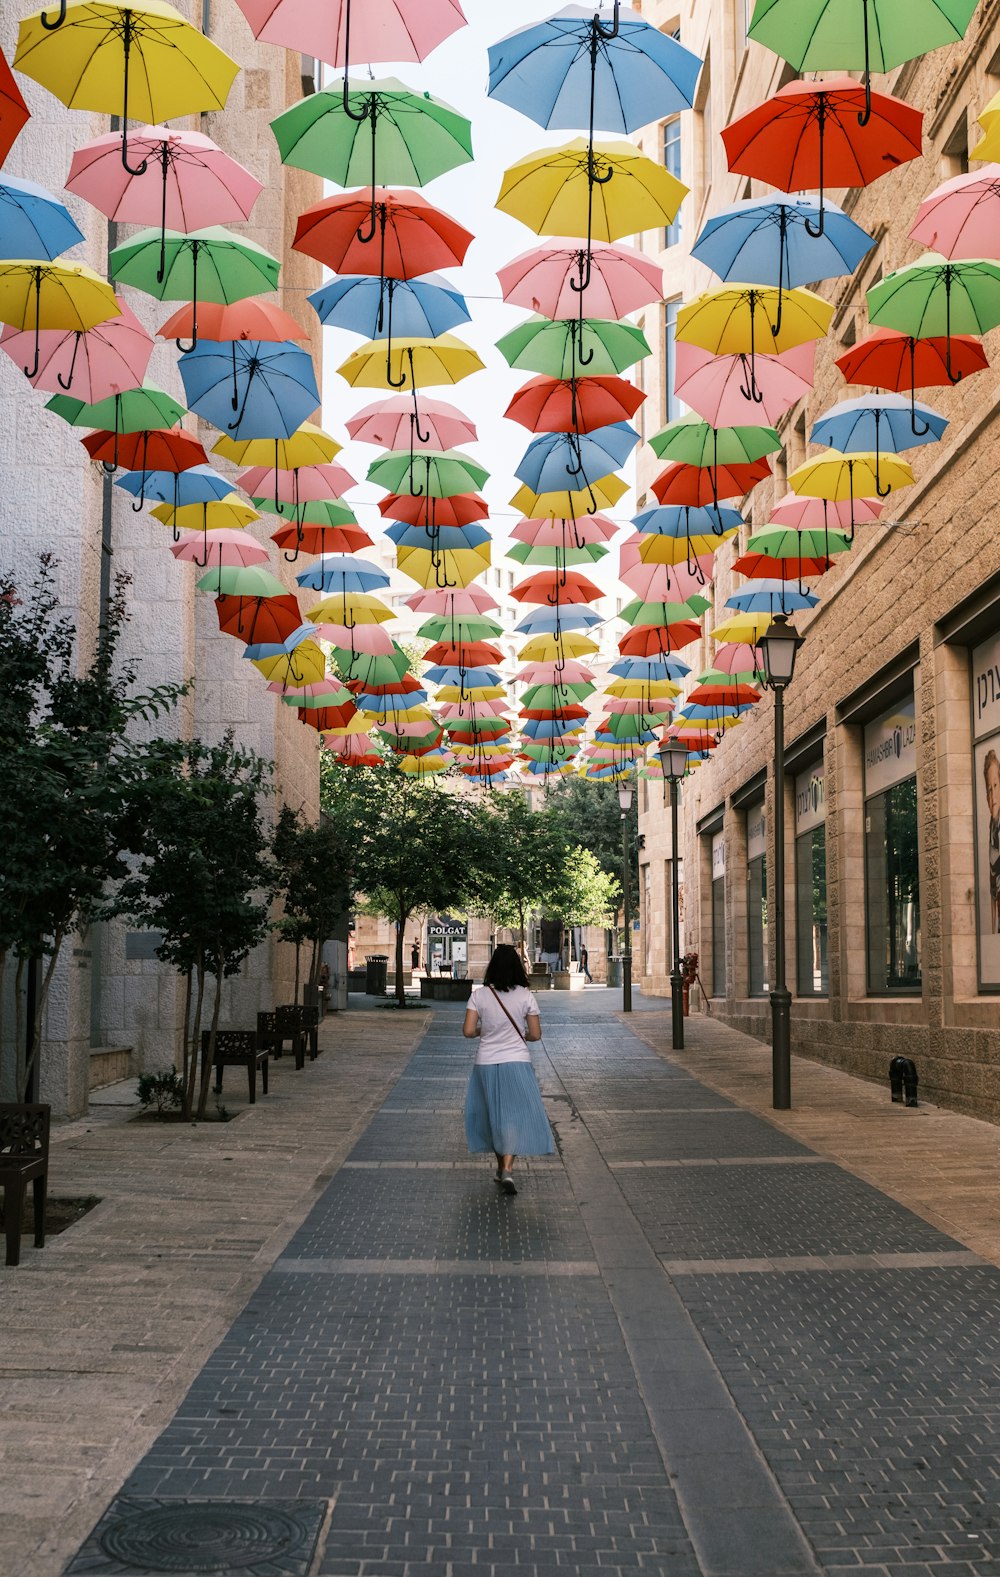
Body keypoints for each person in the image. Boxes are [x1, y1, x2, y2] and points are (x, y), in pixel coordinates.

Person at [463, 944, 554, 1196]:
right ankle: (508, 1168)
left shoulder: (479, 996)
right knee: (513, 1116)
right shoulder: (526, 996)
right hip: (517, 1061)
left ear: (492, 967)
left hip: (486, 1063)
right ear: (517, 967)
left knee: (491, 1114)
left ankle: (500, 1167)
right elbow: (535, 1035)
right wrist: (519, 1035)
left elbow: (469, 1031)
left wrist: (485, 1030)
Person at [985, 749, 1000, 931]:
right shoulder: (992, 829)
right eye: (989, 789)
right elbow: (992, 890)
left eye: (996, 786)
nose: (993, 796)